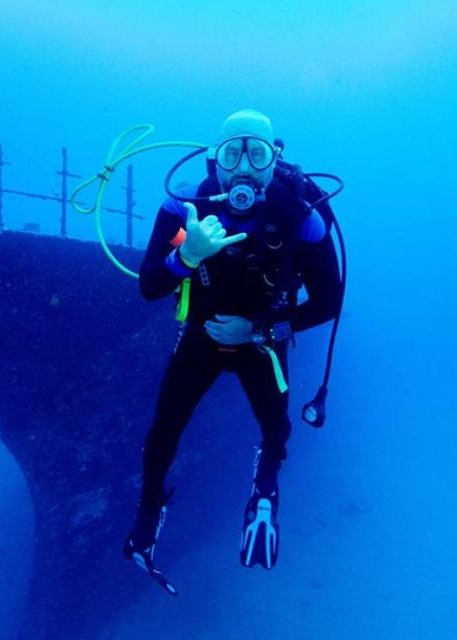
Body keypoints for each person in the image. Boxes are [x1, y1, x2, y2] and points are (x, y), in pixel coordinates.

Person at [123, 109, 343, 590]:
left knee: (275, 424)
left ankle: (264, 496)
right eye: (232, 152)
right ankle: (149, 512)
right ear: (214, 161)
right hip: (202, 335)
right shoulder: (187, 210)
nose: (244, 166)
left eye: (257, 152)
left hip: (261, 339)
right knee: (164, 427)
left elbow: (330, 300)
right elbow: (148, 286)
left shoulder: (300, 216)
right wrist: (187, 255)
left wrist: (258, 332)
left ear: (273, 160)